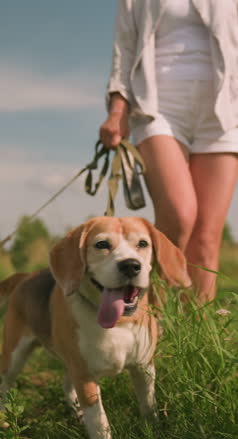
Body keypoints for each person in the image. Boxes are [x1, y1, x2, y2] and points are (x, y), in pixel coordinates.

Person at [99, 0, 238, 301]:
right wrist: (117, 109)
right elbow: (124, 49)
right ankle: (154, 325)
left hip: (225, 110)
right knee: (179, 216)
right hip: (157, 106)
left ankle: (194, 340)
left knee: (206, 239)